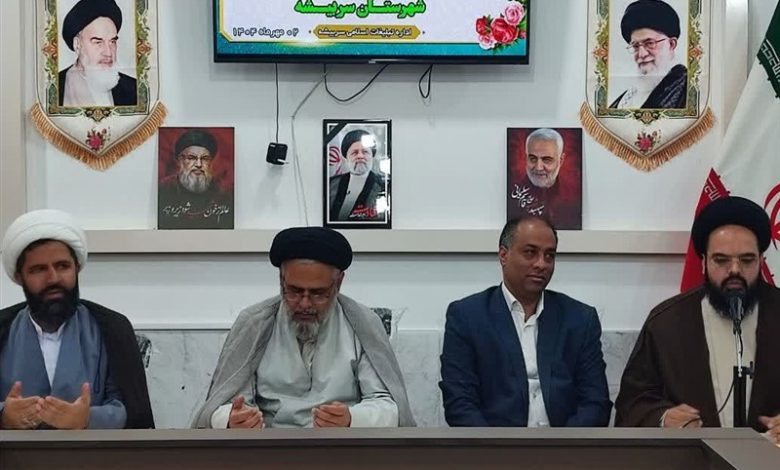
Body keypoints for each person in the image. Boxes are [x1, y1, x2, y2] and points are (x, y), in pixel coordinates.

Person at [192, 227, 415, 428]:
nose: (305, 303)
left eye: (318, 293)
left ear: (338, 283)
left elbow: (388, 406)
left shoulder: (363, 323)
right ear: (281, 280)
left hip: (342, 447)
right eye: (295, 291)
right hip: (268, 448)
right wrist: (234, 419)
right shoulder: (255, 323)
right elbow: (223, 404)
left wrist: (352, 418)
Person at [615, 197, 780, 444]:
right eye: (721, 260)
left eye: (746, 260)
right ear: (703, 262)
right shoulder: (667, 322)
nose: (734, 270)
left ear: (761, 261)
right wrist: (664, 418)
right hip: (692, 459)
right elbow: (632, 403)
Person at [439, 216, 611, 427]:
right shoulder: (467, 316)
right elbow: (459, 404)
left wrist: (564, 444)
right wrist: (496, 446)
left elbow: (596, 403)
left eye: (549, 255)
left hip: (566, 443)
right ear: (504, 255)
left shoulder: (580, 319)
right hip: (494, 444)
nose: (541, 264)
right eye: (530, 252)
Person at [0, 209, 153, 430]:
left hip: (93, 452)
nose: (53, 278)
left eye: (62, 266)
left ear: (77, 267)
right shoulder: (3, 329)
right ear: (19, 276)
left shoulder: (111, 328)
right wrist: (4, 416)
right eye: (38, 270)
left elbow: (130, 410)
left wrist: (87, 419)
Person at [609, 0, 688, 109]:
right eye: (636, 46)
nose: (642, 54)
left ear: (671, 44)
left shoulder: (686, 87)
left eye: (650, 43)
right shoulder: (628, 96)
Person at [58, 0, 138, 107]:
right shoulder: (55, 86)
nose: (108, 53)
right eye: (98, 42)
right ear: (77, 44)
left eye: (112, 42)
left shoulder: (134, 89)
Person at [158, 129, 234, 230]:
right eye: (191, 158)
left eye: (205, 159)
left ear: (211, 163)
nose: (198, 164)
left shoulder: (224, 193)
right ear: (180, 160)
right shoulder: (163, 190)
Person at [508, 128, 581, 229]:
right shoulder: (512, 197)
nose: (538, 167)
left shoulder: (572, 200)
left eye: (547, 160)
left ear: (561, 160)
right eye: (532, 159)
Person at [328, 129, 388, 222]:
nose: (360, 156)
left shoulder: (384, 186)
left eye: (365, 152)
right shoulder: (331, 184)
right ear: (347, 158)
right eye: (354, 152)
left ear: (372, 156)